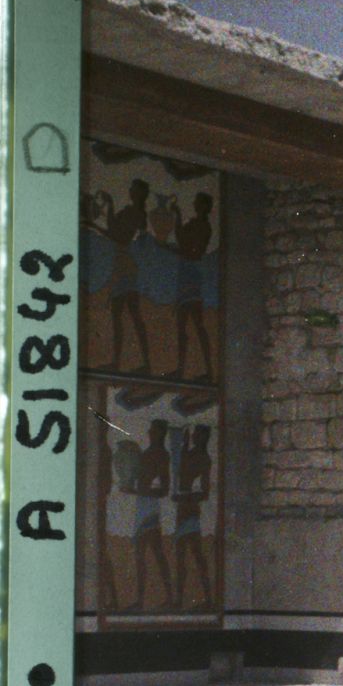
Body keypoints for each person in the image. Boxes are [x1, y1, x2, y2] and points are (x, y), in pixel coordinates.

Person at [103, 179, 153, 374]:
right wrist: (111, 206)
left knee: (129, 314)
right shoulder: (132, 212)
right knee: (124, 315)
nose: (131, 191)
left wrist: (96, 225)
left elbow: (118, 236)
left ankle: (142, 363)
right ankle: (123, 362)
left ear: (140, 193)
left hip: (127, 268)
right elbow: (113, 228)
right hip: (123, 265)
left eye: (134, 189)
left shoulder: (137, 213)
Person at [127, 419, 173, 611]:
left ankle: (164, 598)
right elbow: (139, 481)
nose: (149, 432)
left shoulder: (161, 455)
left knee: (152, 553)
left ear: (160, 433)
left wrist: (141, 491)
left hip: (149, 508)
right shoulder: (146, 454)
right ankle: (142, 600)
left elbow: (164, 489)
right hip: (142, 507)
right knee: (145, 554)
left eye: (153, 430)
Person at [171, 193, 216, 382]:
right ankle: (181, 369)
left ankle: (208, 370)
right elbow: (182, 239)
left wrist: (174, 249)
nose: (195, 204)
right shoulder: (196, 224)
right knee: (183, 325)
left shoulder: (203, 226)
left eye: (198, 202)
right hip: (186, 273)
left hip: (191, 275)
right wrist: (178, 216)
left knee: (196, 324)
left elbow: (189, 248)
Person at [171, 422, 215, 609]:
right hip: (182, 512)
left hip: (189, 512)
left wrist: (183, 496)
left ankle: (206, 598)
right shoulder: (189, 454)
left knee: (195, 556)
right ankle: (180, 600)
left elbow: (204, 493)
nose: (194, 436)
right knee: (183, 558)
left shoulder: (203, 458)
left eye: (197, 434)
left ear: (203, 437)